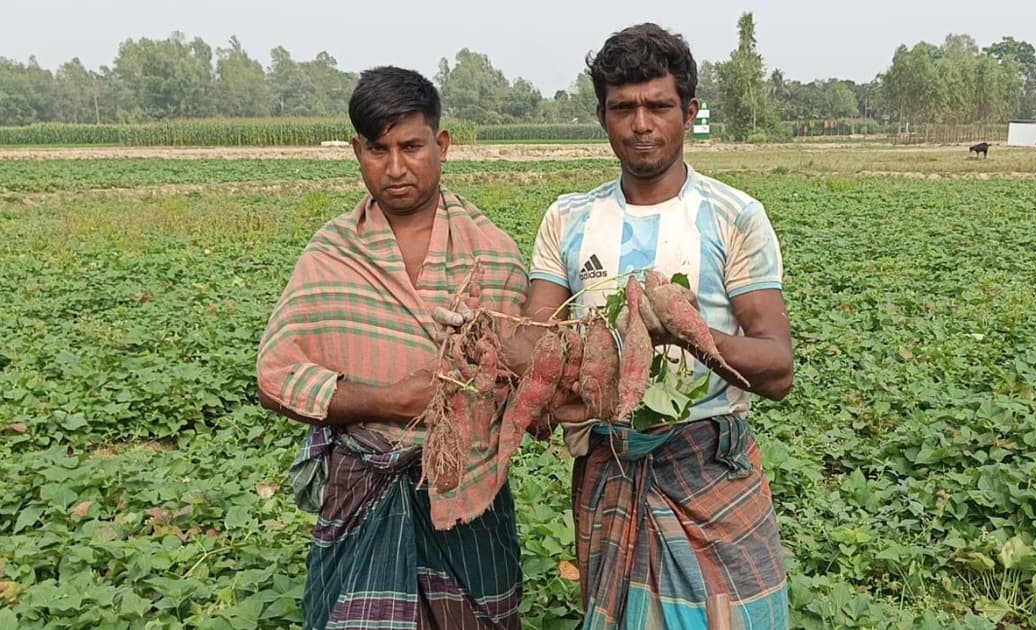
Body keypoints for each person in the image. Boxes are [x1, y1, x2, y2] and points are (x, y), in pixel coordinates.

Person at [522, 23, 795, 629]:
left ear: (688, 111)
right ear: (602, 116)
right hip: (608, 464)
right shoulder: (568, 219)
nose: (640, 123)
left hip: (707, 468)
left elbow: (777, 368)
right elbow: (533, 341)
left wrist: (685, 333)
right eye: (623, 108)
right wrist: (482, 342)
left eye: (658, 106)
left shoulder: (734, 217)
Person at [255, 66, 527, 629]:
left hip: (467, 497)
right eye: (378, 150)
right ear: (358, 151)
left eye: (411, 146)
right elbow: (276, 375)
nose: (396, 167)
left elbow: (523, 380)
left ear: (442, 144)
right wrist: (387, 400)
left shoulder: (494, 254)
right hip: (363, 487)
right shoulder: (331, 255)